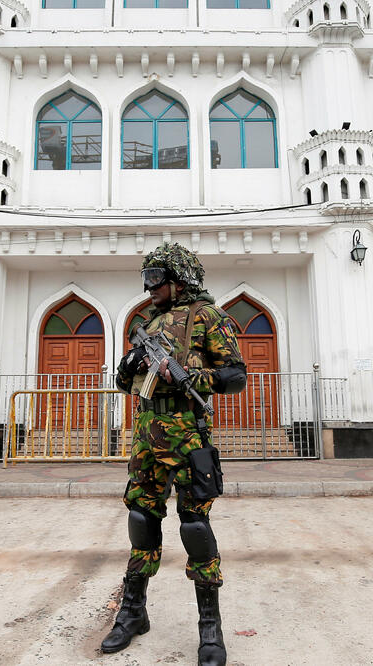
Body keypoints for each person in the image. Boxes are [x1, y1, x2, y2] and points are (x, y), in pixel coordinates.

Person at [103, 242, 247, 666]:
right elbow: (123, 382)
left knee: (194, 525)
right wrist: (131, 363)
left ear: (179, 278)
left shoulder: (209, 317)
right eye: (145, 279)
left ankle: (210, 627)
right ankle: (133, 612)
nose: (148, 288)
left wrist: (191, 375)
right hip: (148, 435)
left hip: (188, 434)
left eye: (155, 279)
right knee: (141, 519)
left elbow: (236, 376)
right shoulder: (148, 322)